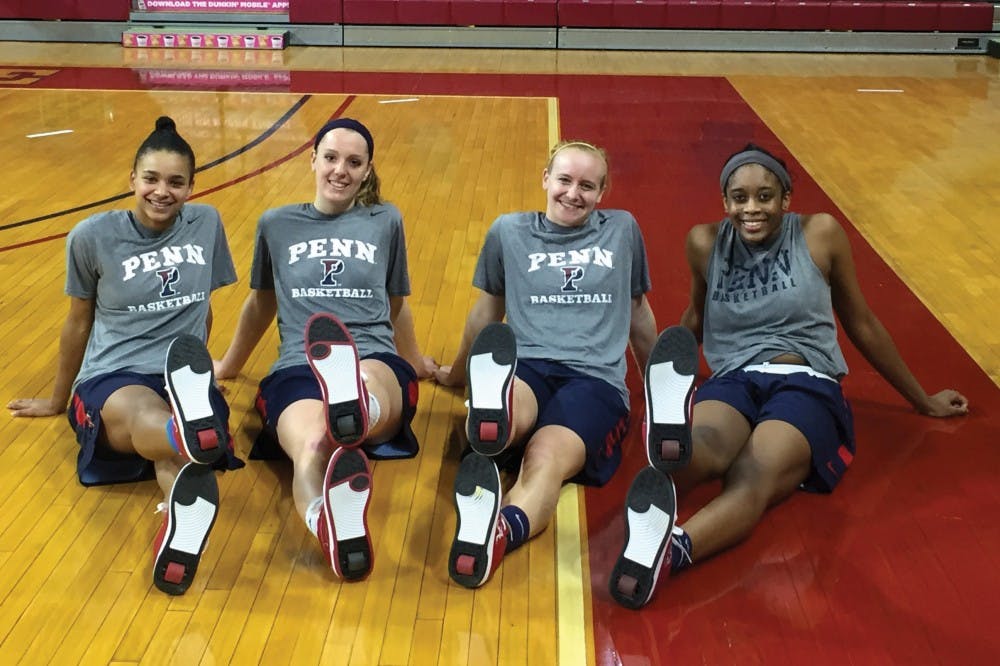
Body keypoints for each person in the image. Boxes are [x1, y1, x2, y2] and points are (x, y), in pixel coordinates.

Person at [608, 143, 969, 609]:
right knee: (698, 454)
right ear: (724, 201)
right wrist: (662, 362)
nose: (751, 208)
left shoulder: (819, 234)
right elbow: (698, 315)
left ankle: (672, 549)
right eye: (739, 198)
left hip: (805, 380)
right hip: (734, 376)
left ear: (786, 198)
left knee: (751, 473)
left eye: (765, 196)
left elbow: (860, 322)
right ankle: (665, 469)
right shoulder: (704, 242)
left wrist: (922, 398)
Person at [7, 116, 241, 596]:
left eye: (176, 182)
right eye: (151, 179)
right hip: (116, 376)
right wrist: (56, 399)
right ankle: (187, 428)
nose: (162, 192)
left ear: (192, 186)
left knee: (179, 461)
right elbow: (78, 322)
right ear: (132, 178)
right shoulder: (91, 236)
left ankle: (176, 518)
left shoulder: (207, 223)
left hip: (182, 374)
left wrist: (204, 368)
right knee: (146, 415)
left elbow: (204, 307)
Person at [215, 117, 436, 582]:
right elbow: (261, 302)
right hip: (298, 364)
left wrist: (415, 361)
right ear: (312, 159)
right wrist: (229, 364)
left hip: (372, 355)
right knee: (311, 447)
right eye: (331, 158)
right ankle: (328, 523)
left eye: (354, 162)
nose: (341, 170)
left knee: (362, 388)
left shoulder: (385, 220)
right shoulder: (276, 224)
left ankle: (355, 403)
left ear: (367, 169)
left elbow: (395, 301)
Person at [434, 140, 659, 588]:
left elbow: (637, 311)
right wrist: (456, 373)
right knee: (511, 409)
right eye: (564, 180)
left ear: (603, 191)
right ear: (545, 178)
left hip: (594, 380)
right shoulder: (509, 231)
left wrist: (661, 388)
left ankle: (499, 529)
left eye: (587, 186)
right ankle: (492, 424)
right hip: (527, 367)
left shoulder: (622, 229)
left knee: (546, 456)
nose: (573, 193)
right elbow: (487, 312)